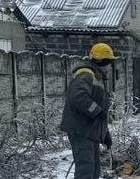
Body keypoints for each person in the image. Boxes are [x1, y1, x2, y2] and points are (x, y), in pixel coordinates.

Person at [61, 43, 115, 179]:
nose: (110, 67)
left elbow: (100, 113)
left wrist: (105, 134)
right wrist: (96, 110)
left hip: (90, 131)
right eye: (110, 63)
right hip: (81, 130)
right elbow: (78, 96)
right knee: (86, 170)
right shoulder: (86, 75)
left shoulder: (97, 77)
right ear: (103, 61)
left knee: (94, 170)